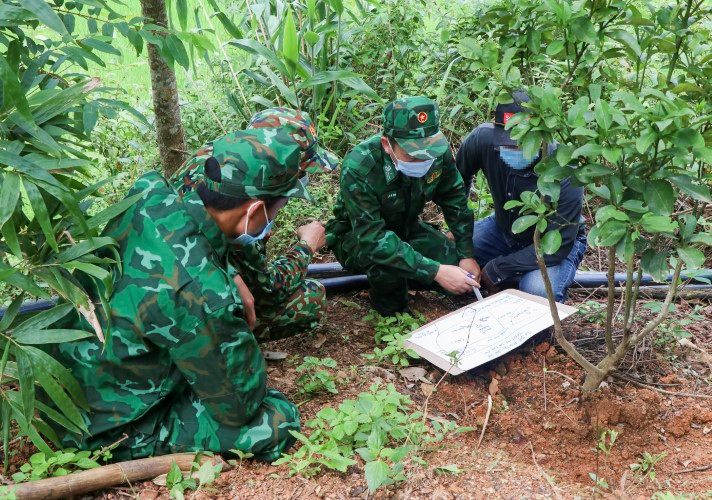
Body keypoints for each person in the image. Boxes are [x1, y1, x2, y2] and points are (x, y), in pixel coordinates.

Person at [46, 128, 328, 462]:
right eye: (277, 209)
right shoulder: (204, 294)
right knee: (276, 420)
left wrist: (231, 273)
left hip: (59, 379)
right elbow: (240, 406)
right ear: (253, 212)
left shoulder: (151, 190)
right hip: (95, 425)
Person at [326, 96, 480, 316]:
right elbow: (373, 240)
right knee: (389, 274)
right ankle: (388, 303)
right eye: (412, 155)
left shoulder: (436, 152)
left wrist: (466, 254)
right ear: (387, 144)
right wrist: (435, 271)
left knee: (457, 270)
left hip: (406, 227)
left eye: (428, 153)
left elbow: (454, 198)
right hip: (357, 238)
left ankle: (411, 273)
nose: (423, 161)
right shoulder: (361, 166)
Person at [455, 91, 587, 303]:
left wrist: (497, 268)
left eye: (523, 143)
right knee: (451, 257)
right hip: (502, 228)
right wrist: (460, 229)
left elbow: (557, 246)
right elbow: (456, 182)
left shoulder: (565, 167)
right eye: (507, 143)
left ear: (542, 135)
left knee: (537, 292)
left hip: (551, 241)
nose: (513, 149)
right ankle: (510, 279)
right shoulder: (482, 139)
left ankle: (522, 280)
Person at [227, 107, 339, 342]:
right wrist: (307, 246)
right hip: (192, 310)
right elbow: (270, 290)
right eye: (300, 171)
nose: (302, 177)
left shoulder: (230, 173)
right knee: (311, 299)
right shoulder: (241, 207)